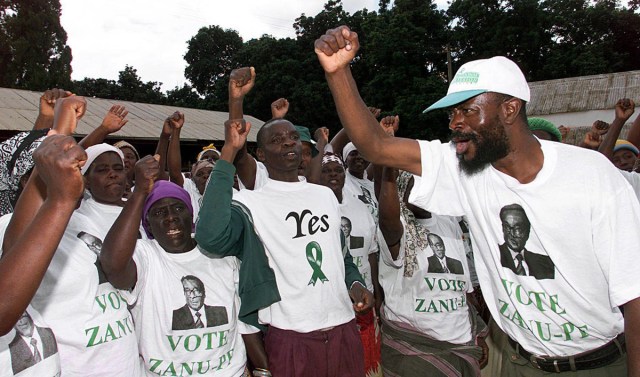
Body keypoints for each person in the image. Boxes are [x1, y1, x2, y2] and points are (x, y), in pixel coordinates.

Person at [315, 26, 640, 375]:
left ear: (510, 108)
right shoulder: (466, 170)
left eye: (468, 110)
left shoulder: (592, 175)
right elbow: (376, 146)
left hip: (598, 364)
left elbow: (635, 295)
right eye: (452, 113)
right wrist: (338, 71)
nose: (455, 122)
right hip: (519, 363)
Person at [195, 113, 374, 377]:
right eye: (277, 140)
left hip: (344, 329)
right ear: (262, 154)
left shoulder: (324, 195)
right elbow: (210, 237)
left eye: (292, 137)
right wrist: (228, 153)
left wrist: (356, 283)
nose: (289, 143)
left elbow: (341, 257)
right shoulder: (251, 203)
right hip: (291, 338)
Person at [99, 160, 262, 377]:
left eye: (178, 208)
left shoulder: (220, 255)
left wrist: (263, 368)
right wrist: (139, 192)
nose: (171, 217)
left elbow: (243, 323)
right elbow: (113, 266)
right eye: (158, 213)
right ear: (147, 223)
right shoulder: (144, 255)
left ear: (191, 214)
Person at [498, 204, 555, 280]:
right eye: (507, 227)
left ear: (527, 231)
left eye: (517, 228)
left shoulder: (546, 263)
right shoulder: (494, 255)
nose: (512, 234)